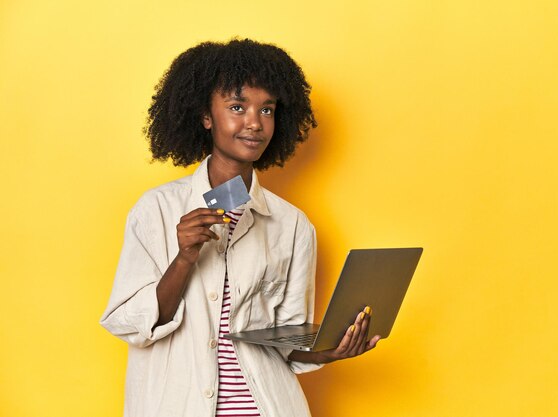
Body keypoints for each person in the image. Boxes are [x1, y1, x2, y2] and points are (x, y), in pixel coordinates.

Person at [100, 38, 380, 417]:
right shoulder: (156, 210)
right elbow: (131, 324)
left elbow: (283, 339)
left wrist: (328, 349)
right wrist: (183, 258)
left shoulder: (293, 225)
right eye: (237, 107)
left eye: (267, 110)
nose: (255, 122)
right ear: (205, 116)